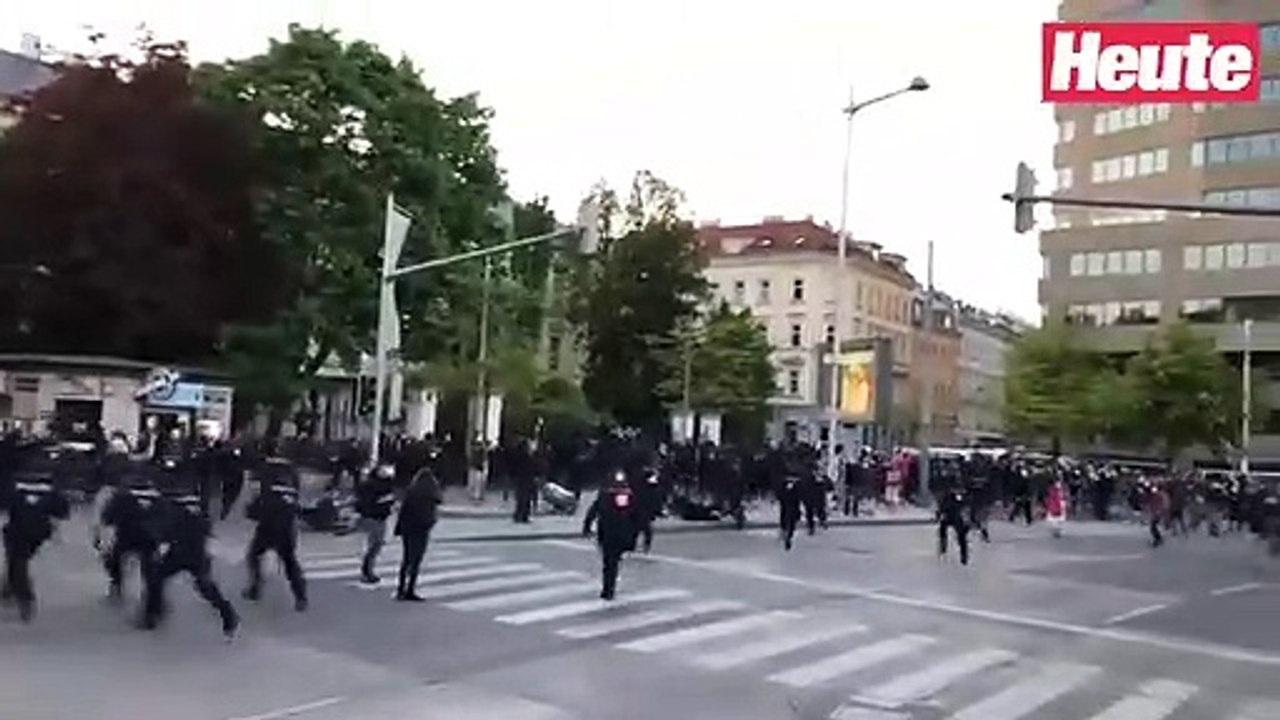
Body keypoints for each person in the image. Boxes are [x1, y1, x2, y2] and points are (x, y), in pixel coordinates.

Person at [139, 483, 238, 639]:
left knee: (157, 578)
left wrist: (159, 540)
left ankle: (152, 615)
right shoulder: (193, 511)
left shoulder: (174, 511)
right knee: (203, 586)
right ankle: (228, 615)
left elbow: (165, 531)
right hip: (192, 554)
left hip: (184, 554)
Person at [0, 445, 71, 622]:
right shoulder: (49, 483)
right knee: (20, 558)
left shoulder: (13, 481)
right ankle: (10, 587)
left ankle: (24, 597)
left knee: (18, 559)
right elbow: (62, 510)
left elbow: (4, 503)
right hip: (40, 529)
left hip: (18, 528)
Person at [242, 455, 308, 611]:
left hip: (267, 529)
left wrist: (250, 509)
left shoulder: (266, 486)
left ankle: (256, 587)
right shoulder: (291, 481)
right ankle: (300, 596)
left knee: (254, 555)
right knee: (290, 562)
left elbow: (253, 512)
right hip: (286, 530)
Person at [98, 459, 164, 601]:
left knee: (114, 559)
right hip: (146, 536)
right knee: (148, 565)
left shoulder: (121, 496)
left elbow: (107, 517)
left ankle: (117, 586)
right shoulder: (153, 493)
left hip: (128, 535)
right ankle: (152, 595)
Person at [582, 470, 639, 600]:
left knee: (609, 562)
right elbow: (637, 517)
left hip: (609, 532)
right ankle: (609, 587)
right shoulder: (626, 496)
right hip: (619, 533)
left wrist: (587, 526)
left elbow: (593, 511)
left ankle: (608, 588)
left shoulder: (606, 496)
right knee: (612, 562)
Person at [393, 466, 443, 602]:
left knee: (406, 559)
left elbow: (403, 512)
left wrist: (398, 529)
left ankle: (400, 589)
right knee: (416, 561)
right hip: (422, 530)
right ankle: (410, 589)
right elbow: (436, 507)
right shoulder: (431, 495)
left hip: (408, 529)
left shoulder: (411, 492)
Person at [355, 464, 397, 585]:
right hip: (373, 517)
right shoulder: (371, 486)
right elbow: (368, 501)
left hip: (378, 517)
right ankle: (367, 572)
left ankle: (368, 571)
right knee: (375, 545)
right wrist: (384, 500)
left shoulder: (381, 484)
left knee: (376, 545)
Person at [936, 479, 970, 565]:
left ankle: (964, 556)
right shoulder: (947, 497)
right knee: (943, 528)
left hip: (957, 517)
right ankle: (943, 545)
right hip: (949, 515)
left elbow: (967, 506)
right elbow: (942, 506)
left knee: (961, 535)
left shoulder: (963, 497)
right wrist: (940, 514)